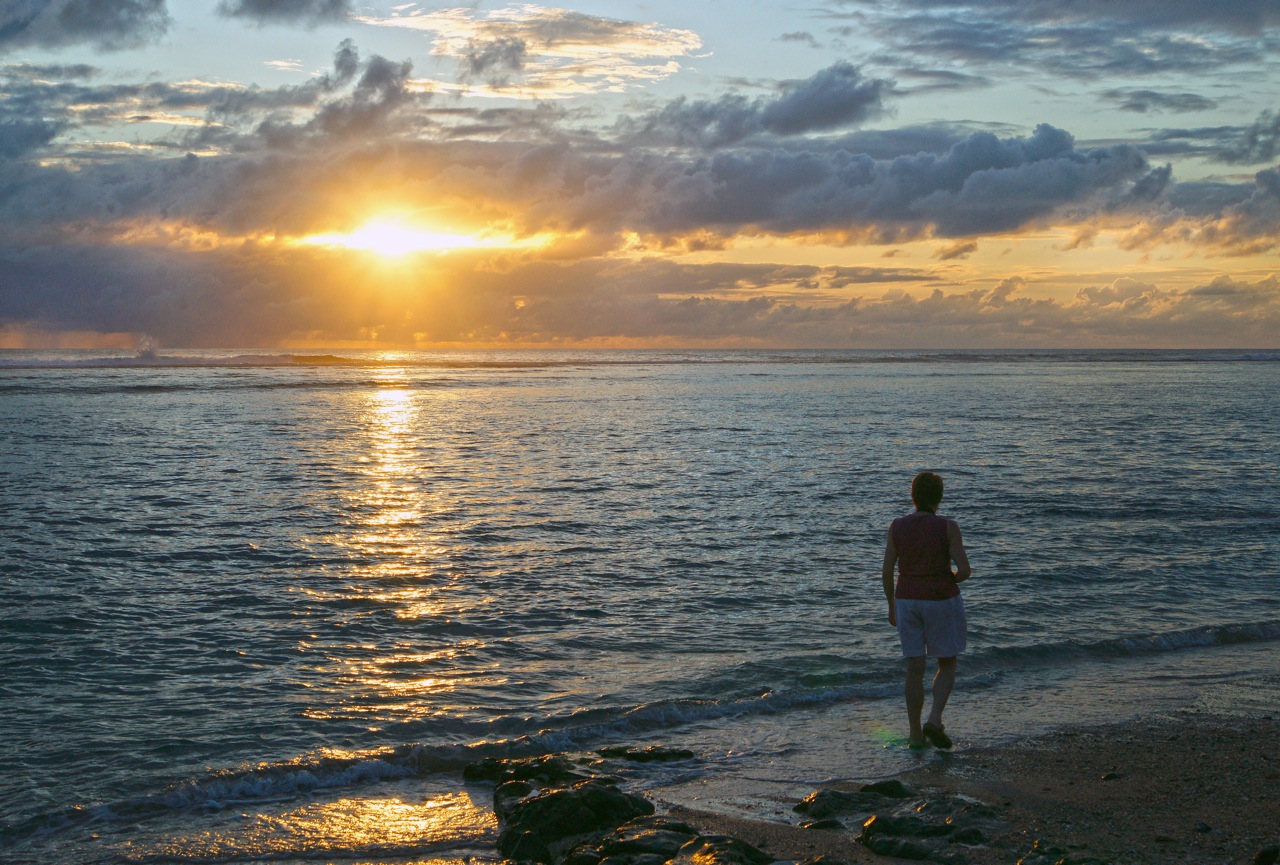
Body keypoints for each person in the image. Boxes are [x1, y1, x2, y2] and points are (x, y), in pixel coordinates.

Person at [882, 471, 971, 749]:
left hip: (907, 600)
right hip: (941, 600)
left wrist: (891, 605)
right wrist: (949, 579)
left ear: (913, 496)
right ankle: (934, 719)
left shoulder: (897, 526)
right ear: (939, 498)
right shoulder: (948, 527)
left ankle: (914, 735)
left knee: (914, 668)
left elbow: (887, 570)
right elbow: (965, 571)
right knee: (947, 662)